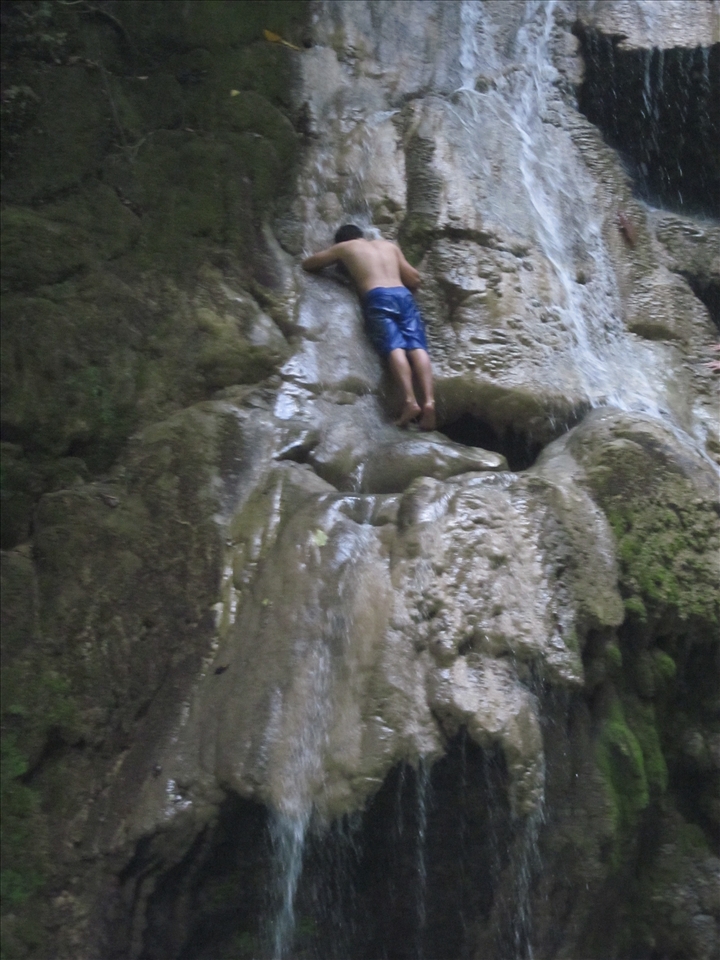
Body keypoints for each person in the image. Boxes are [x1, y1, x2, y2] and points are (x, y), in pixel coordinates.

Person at [302, 224, 436, 430]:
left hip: (378, 296)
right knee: (417, 346)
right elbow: (414, 278)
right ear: (362, 235)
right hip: (403, 295)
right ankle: (429, 402)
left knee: (395, 347)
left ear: (342, 240)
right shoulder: (389, 246)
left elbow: (310, 264)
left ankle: (410, 401)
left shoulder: (345, 247)